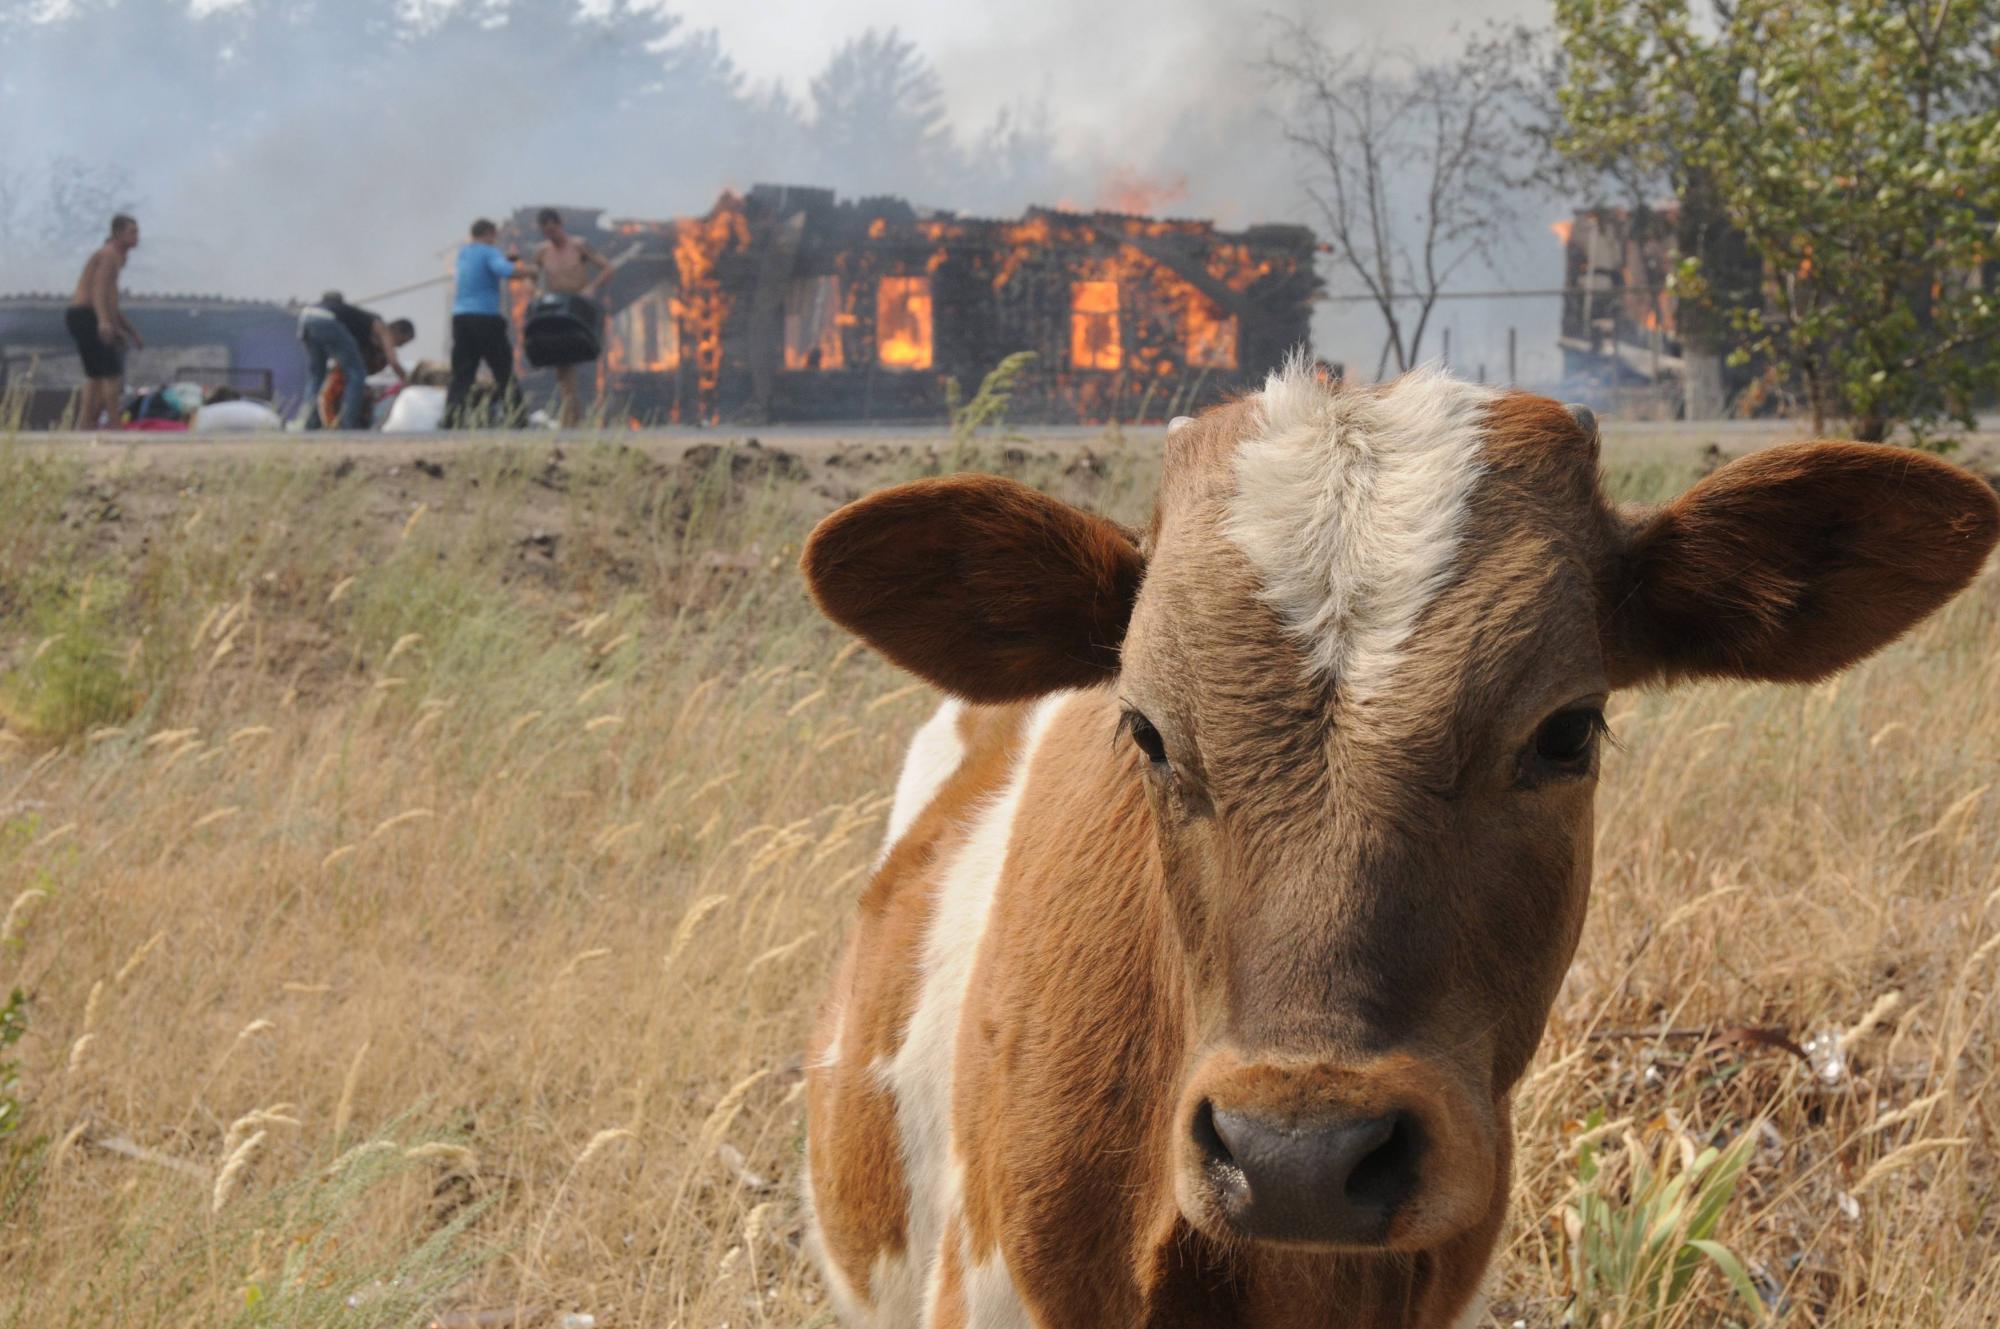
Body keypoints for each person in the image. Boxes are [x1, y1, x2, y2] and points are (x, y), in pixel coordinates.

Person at [444, 218, 537, 428]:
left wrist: (504, 259)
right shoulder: (489, 252)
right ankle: (517, 418)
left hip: (461, 319)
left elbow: (482, 270)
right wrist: (531, 271)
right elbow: (506, 272)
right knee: (503, 370)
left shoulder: (463, 253)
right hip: (485, 319)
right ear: (489, 233)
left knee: (462, 373)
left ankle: (451, 419)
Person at [528, 207, 612, 429]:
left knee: (579, 359)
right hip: (556, 309)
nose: (551, 235)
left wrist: (591, 287)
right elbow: (532, 275)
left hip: (578, 308)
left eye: (553, 230)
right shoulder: (542, 252)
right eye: (547, 232)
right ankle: (572, 418)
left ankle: (576, 417)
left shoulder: (579, 245)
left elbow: (607, 268)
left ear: (560, 225)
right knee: (562, 364)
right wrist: (536, 291)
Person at [66, 213, 143, 429]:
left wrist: (128, 331)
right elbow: (98, 290)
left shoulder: (116, 259)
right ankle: (114, 423)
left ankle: (86, 423)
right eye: (132, 232)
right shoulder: (108, 255)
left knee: (96, 375)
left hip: (88, 315)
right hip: (86, 315)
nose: (137, 237)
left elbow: (111, 301)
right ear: (118, 234)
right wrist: (103, 322)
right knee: (111, 373)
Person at [298, 292, 414, 430]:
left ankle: (309, 423)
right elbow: (393, 361)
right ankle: (347, 424)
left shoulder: (358, 331)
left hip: (306, 317)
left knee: (317, 376)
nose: (398, 347)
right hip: (326, 320)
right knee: (357, 373)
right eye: (400, 343)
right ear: (396, 331)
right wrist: (408, 379)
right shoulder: (381, 326)